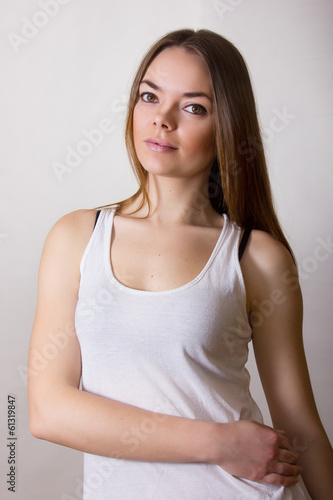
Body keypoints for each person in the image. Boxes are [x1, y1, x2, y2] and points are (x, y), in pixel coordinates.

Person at [28, 29, 333, 499]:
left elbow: (302, 428)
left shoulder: (257, 258)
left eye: (194, 107)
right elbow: (48, 410)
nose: (162, 120)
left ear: (226, 126)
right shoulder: (75, 237)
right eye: (149, 96)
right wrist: (219, 443)